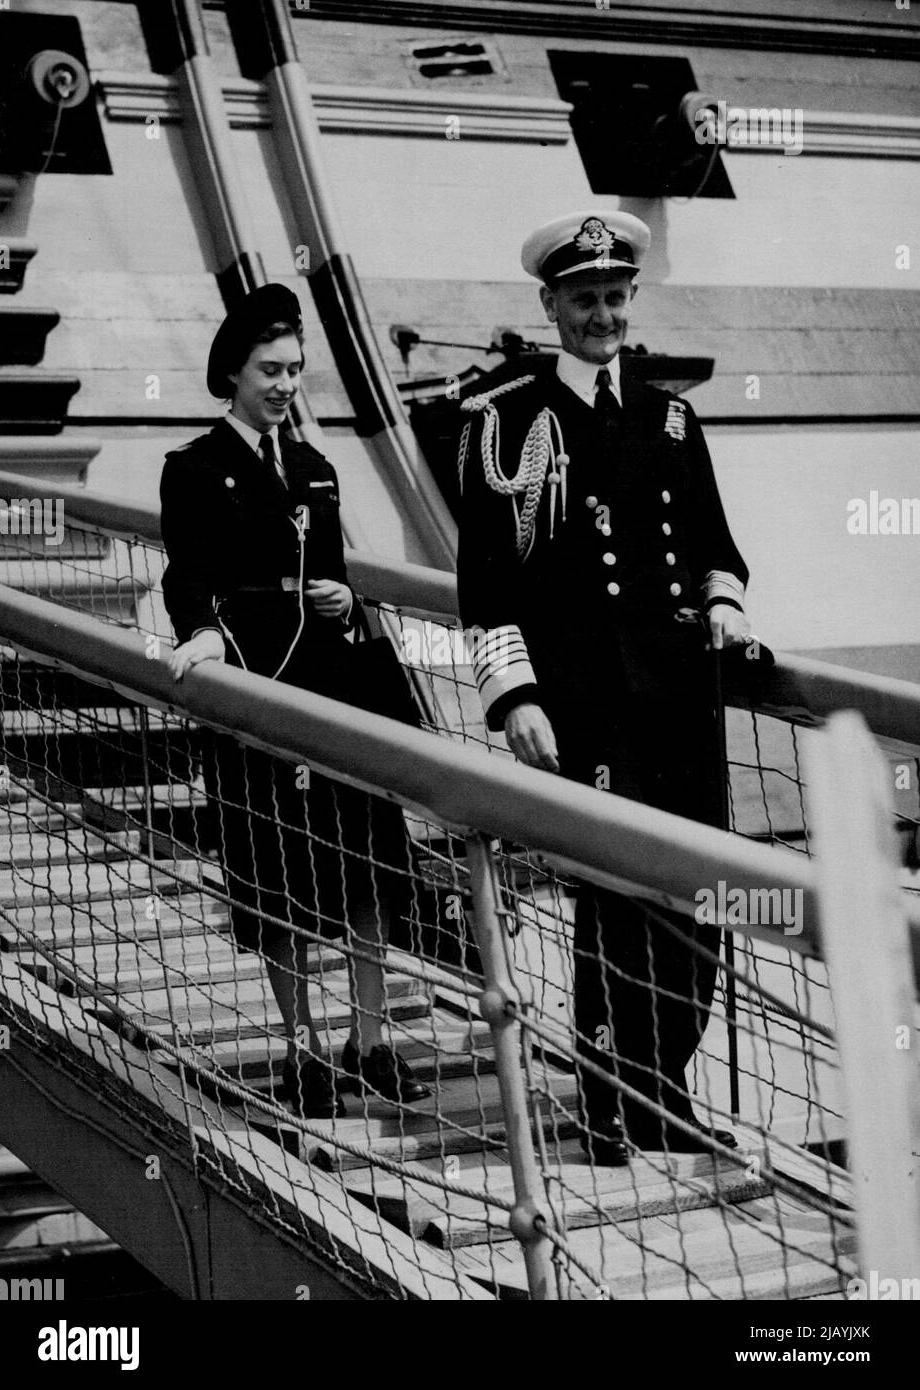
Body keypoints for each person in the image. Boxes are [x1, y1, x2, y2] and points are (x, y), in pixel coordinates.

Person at [456, 211, 754, 1165]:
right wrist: (516, 696)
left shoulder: (671, 416)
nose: (602, 315)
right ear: (550, 306)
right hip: (588, 705)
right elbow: (485, 586)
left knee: (701, 899)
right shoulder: (506, 423)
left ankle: (666, 1090)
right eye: (583, 299)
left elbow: (713, 546)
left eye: (615, 298)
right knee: (612, 903)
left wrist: (725, 605)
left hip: (678, 698)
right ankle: (605, 1101)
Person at [160, 283, 429, 1119]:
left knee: (367, 862)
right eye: (270, 370)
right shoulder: (196, 468)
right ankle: (301, 1046)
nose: (284, 385)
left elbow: (335, 571)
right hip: (256, 680)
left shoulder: (316, 467)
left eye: (295, 371)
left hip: (332, 676)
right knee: (276, 871)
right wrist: (200, 631)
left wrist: (344, 599)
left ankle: (371, 1037)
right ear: (231, 374)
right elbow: (186, 573)